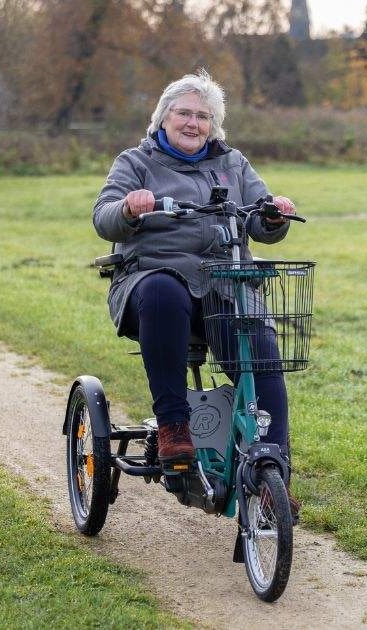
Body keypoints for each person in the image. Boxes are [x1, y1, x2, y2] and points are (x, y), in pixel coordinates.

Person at [91, 70, 298, 508]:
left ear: (214, 125)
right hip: (150, 282)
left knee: (258, 342)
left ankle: (273, 467)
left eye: (203, 116)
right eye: (183, 113)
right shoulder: (135, 162)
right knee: (165, 292)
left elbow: (261, 222)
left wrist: (274, 214)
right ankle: (174, 428)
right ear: (163, 118)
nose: (193, 123)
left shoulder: (233, 163)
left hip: (223, 285)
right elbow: (103, 217)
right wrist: (130, 207)